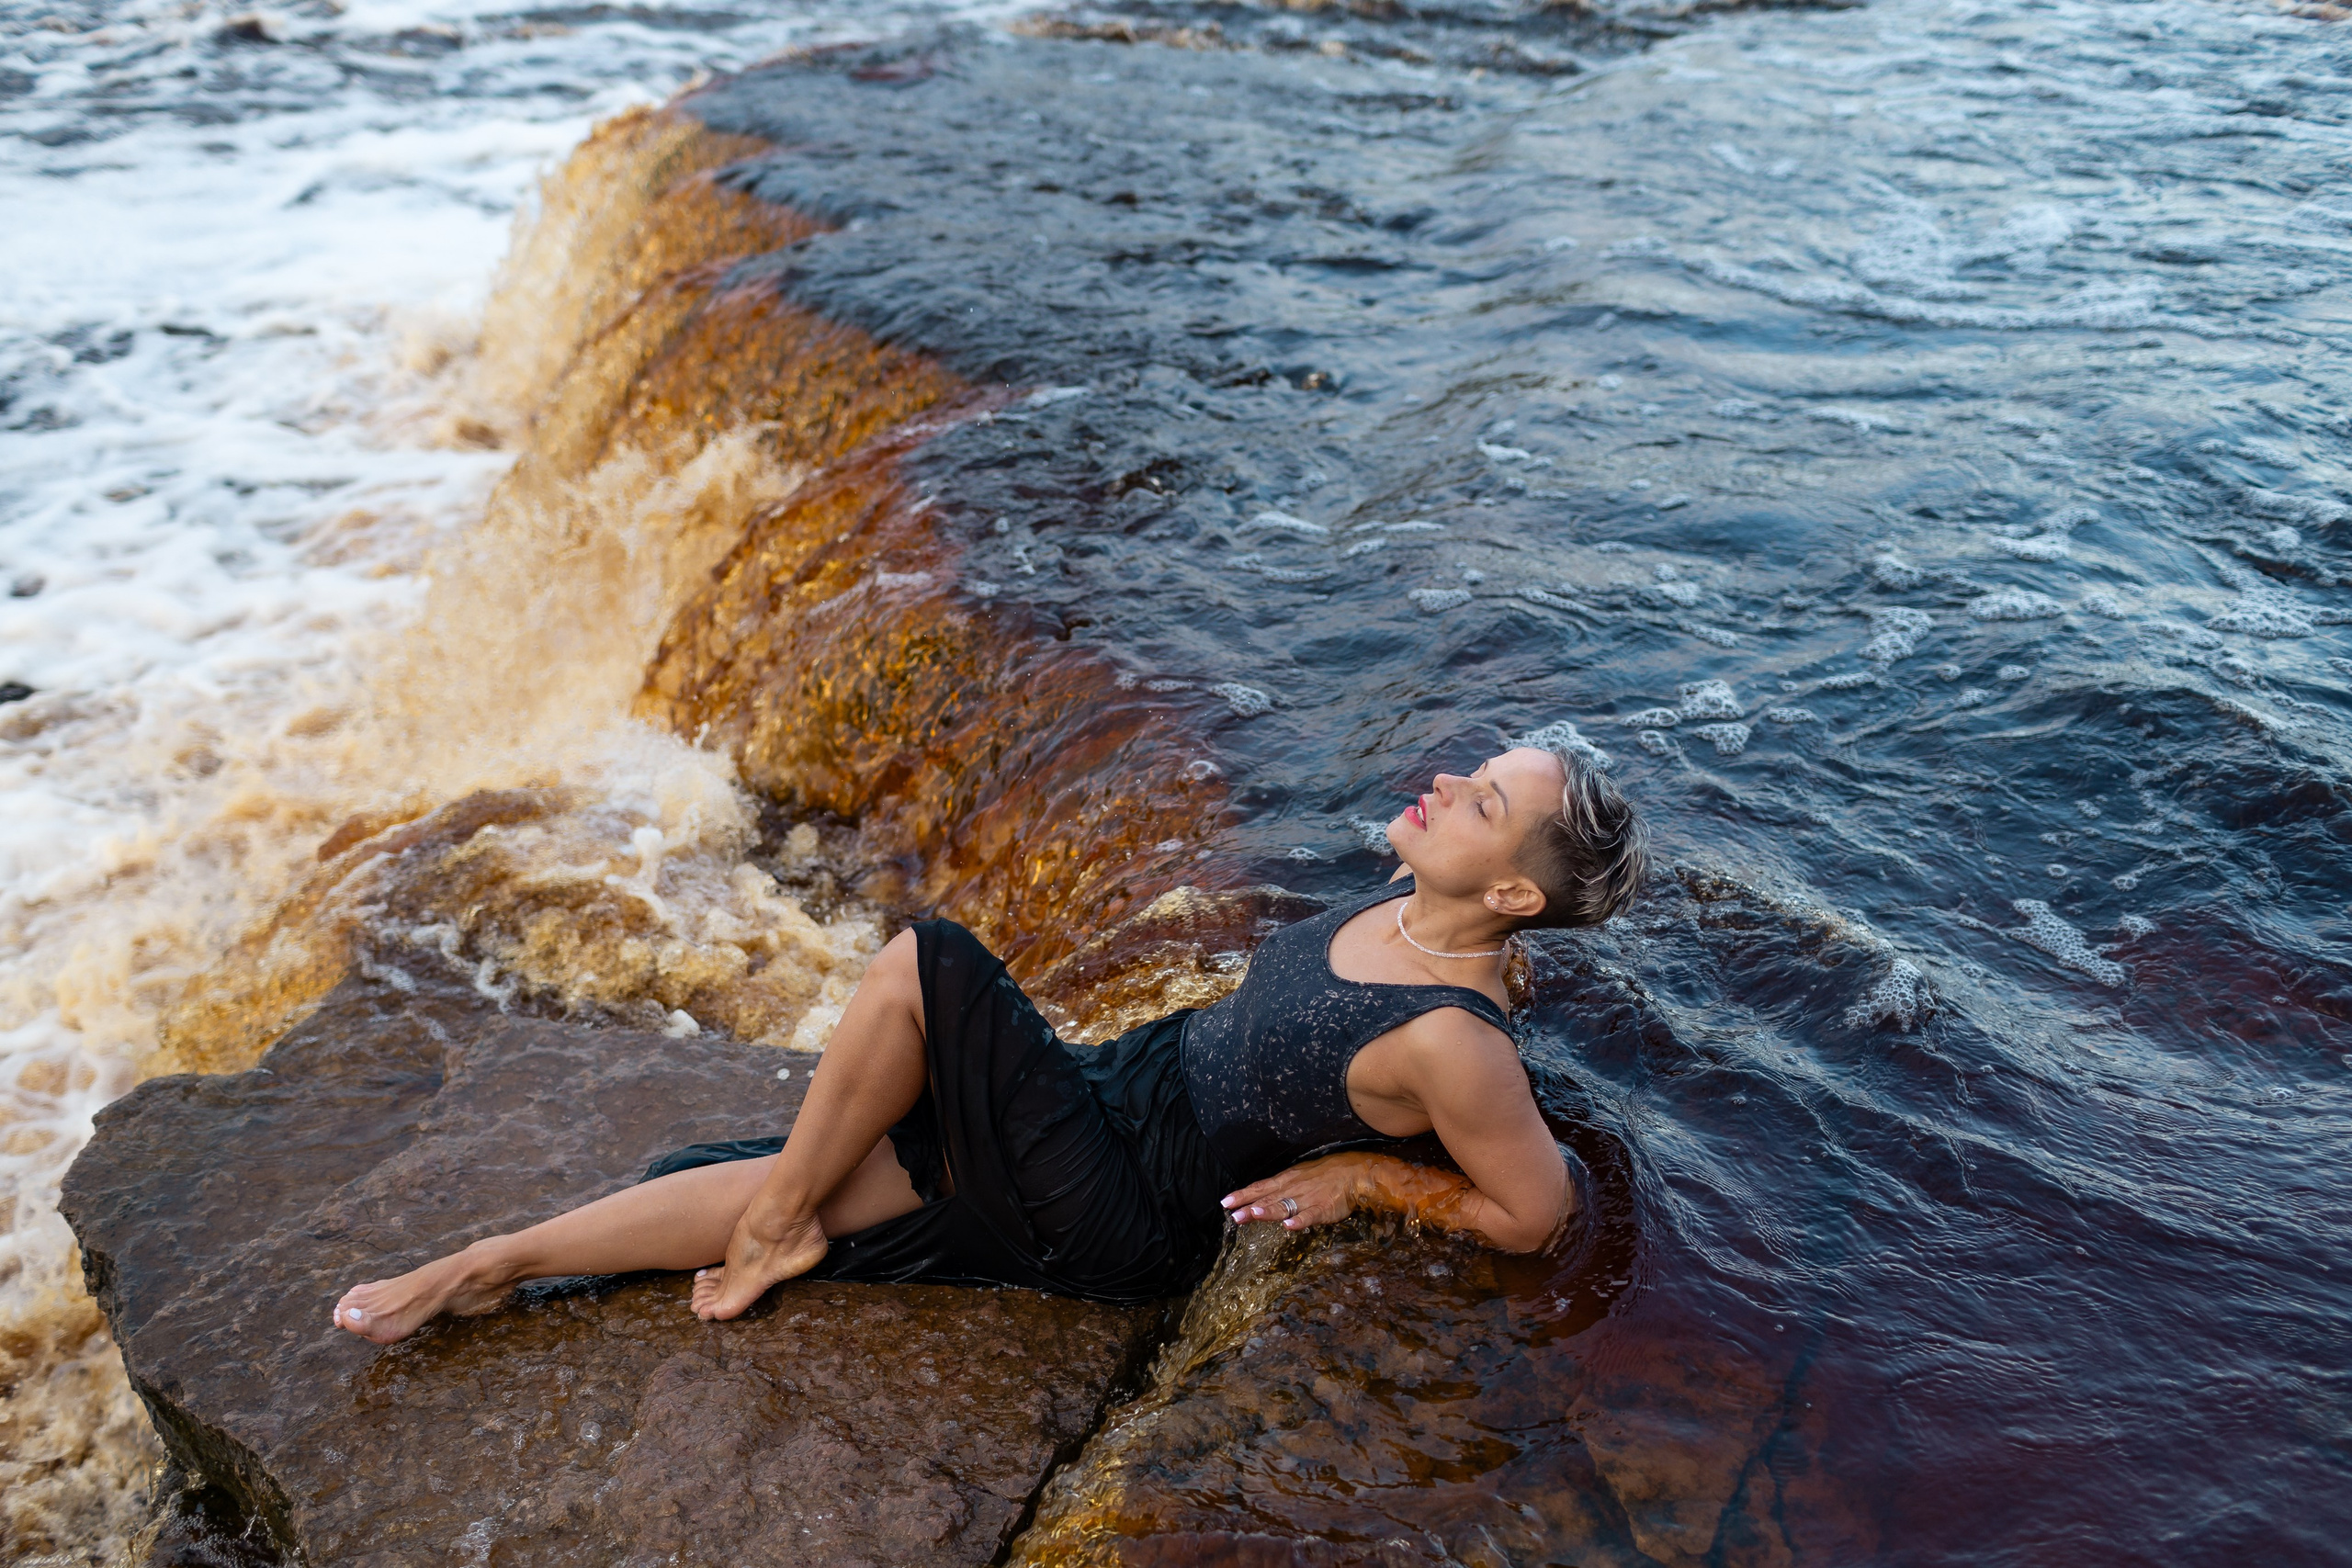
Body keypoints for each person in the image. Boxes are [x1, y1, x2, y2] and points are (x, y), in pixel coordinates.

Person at [331, 745, 1646, 1343]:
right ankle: (496, 1263)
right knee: (772, 1163)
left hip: (1131, 1208)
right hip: (1120, 1100)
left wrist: (1364, 1180)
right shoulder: (1429, 915)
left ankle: (774, 1228)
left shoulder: (1453, 1042)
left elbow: (1536, 1213)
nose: (1440, 785)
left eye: (1479, 802)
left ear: (1516, 891)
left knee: (927, 966)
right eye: (1474, 771)